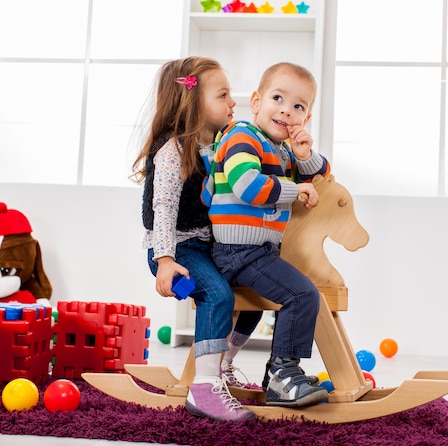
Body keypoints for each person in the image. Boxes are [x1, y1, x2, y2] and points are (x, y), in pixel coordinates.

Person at [131, 56, 254, 422]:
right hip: (177, 247)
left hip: (209, 245)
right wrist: (165, 259)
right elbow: (164, 210)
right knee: (218, 295)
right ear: (193, 103)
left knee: (258, 291)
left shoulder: (221, 145)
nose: (233, 102)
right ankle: (204, 390)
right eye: (223, 95)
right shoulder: (172, 152)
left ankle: (222, 366)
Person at [207, 62, 331, 407]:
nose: (286, 110)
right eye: (278, 98)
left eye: (299, 107)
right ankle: (282, 371)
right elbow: (247, 186)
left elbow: (321, 171)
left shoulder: (281, 149)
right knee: (303, 294)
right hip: (237, 250)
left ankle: (245, 368)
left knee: (262, 306)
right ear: (257, 101)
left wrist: (304, 154)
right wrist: (297, 191)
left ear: (306, 118)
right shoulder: (242, 136)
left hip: (259, 251)